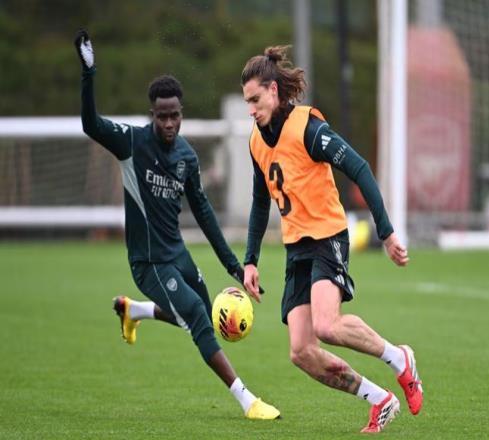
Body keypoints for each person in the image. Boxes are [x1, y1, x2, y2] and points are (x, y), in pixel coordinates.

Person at [74, 29, 280, 420]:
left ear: (181, 113)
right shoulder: (132, 143)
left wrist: (235, 267)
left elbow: (204, 213)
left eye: (175, 116)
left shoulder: (186, 156)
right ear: (152, 114)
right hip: (148, 262)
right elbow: (90, 124)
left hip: (178, 256)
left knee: (203, 315)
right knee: (198, 317)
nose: (169, 123)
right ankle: (248, 401)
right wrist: (89, 74)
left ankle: (134, 311)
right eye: (162, 116)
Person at [240, 45, 423, 433]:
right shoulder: (256, 141)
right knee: (301, 352)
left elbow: (360, 168)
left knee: (327, 325)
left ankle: (399, 358)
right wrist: (250, 260)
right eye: (247, 102)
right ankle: (380, 399)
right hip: (296, 247)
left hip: (327, 237)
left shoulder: (308, 128)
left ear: (273, 90)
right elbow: (260, 201)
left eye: (255, 100)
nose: (251, 109)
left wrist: (386, 232)